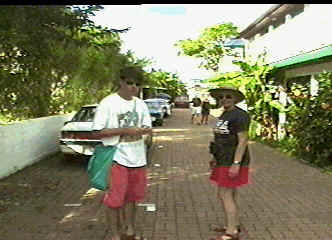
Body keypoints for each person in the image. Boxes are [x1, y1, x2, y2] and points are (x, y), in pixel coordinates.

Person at [91, 66, 152, 240]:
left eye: (137, 84)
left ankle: (130, 231)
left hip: (138, 158)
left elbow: (148, 129)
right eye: (129, 83)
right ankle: (114, 235)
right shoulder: (108, 103)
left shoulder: (140, 104)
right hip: (116, 158)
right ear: (121, 82)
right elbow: (97, 132)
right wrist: (125, 130)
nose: (133, 87)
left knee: (132, 198)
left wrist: (144, 132)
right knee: (114, 200)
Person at [208, 85, 251, 240]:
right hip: (221, 159)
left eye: (228, 96)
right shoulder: (225, 114)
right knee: (230, 193)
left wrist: (236, 163)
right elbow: (219, 138)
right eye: (221, 97)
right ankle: (233, 224)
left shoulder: (240, 116)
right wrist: (214, 157)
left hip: (231, 160)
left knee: (224, 193)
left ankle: (232, 232)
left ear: (235, 98)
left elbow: (243, 140)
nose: (224, 99)